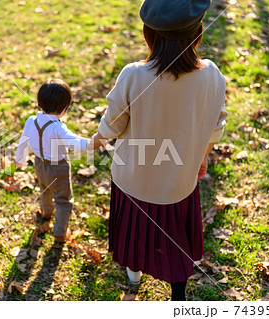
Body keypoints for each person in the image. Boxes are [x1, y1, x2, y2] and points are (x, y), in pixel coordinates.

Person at [89, 0, 227, 301]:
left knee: (135, 232)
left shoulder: (134, 74)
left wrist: (93, 141)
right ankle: (178, 292)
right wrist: (202, 158)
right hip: (179, 181)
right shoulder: (213, 75)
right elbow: (217, 123)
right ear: (198, 33)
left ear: (147, 35)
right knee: (175, 237)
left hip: (134, 179)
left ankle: (134, 274)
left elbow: (112, 124)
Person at [15, 79, 91, 242]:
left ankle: (47, 212)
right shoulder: (58, 128)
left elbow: (23, 141)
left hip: (39, 164)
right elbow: (77, 143)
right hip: (58, 168)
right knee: (63, 200)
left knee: (45, 190)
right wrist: (94, 142)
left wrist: (20, 158)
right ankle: (60, 233)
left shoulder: (31, 121)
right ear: (64, 109)